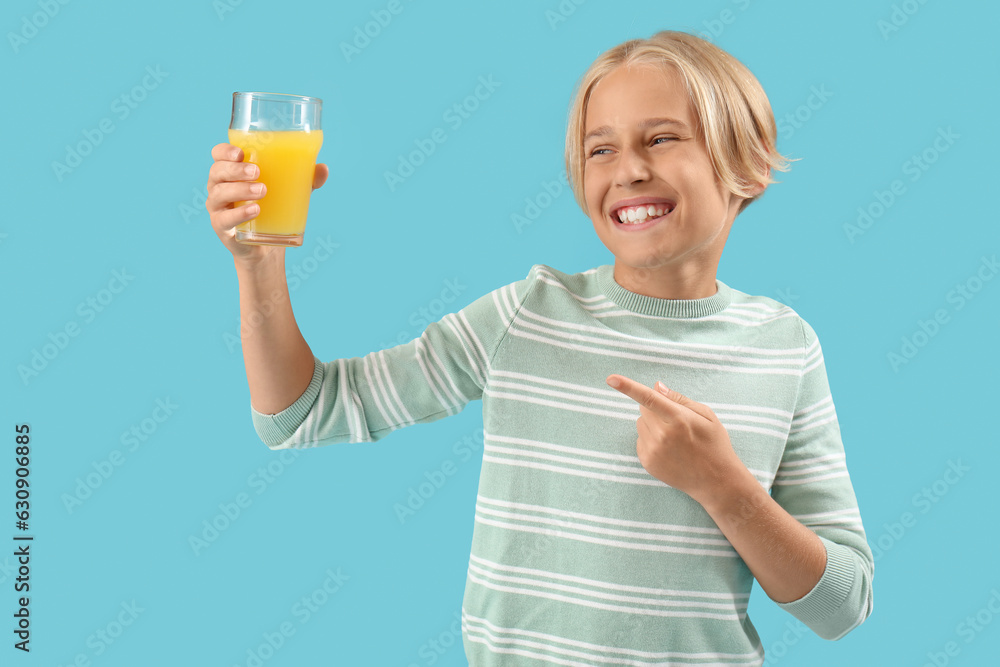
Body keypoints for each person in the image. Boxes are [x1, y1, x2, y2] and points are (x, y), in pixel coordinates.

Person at [206, 30, 873, 666]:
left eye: (662, 138)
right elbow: (304, 412)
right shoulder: (526, 314)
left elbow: (842, 606)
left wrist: (724, 486)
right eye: (599, 149)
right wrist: (257, 267)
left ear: (748, 165)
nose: (629, 170)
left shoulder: (786, 347)